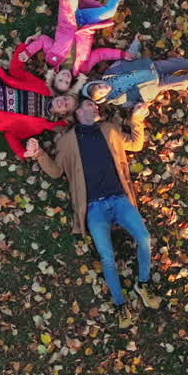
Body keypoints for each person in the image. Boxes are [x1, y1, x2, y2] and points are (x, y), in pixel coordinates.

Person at [24, 99, 161, 328]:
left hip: (119, 200)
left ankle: (143, 284)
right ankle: (120, 305)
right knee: (107, 258)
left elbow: (135, 144)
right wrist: (39, 154)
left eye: (96, 106)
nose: (95, 107)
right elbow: (57, 171)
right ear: (78, 112)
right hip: (94, 208)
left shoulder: (109, 129)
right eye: (89, 105)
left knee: (145, 238)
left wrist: (137, 120)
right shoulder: (68, 141)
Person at [19, 0, 136, 83]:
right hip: (86, 24)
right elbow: (100, 54)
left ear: (54, 77)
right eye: (66, 83)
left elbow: (43, 40)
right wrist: (121, 54)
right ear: (72, 84)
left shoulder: (51, 58)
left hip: (69, 19)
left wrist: (28, 51)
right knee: (109, 12)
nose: (65, 78)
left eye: (60, 80)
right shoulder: (83, 69)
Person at [82, 36, 188, 109]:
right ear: (102, 98)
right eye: (101, 92)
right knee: (182, 81)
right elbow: (134, 102)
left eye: (99, 86)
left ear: (99, 81)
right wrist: (142, 104)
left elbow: (128, 59)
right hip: (155, 86)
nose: (103, 88)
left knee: (181, 63)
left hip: (152, 68)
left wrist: (135, 44)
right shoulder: (117, 100)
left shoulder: (110, 72)